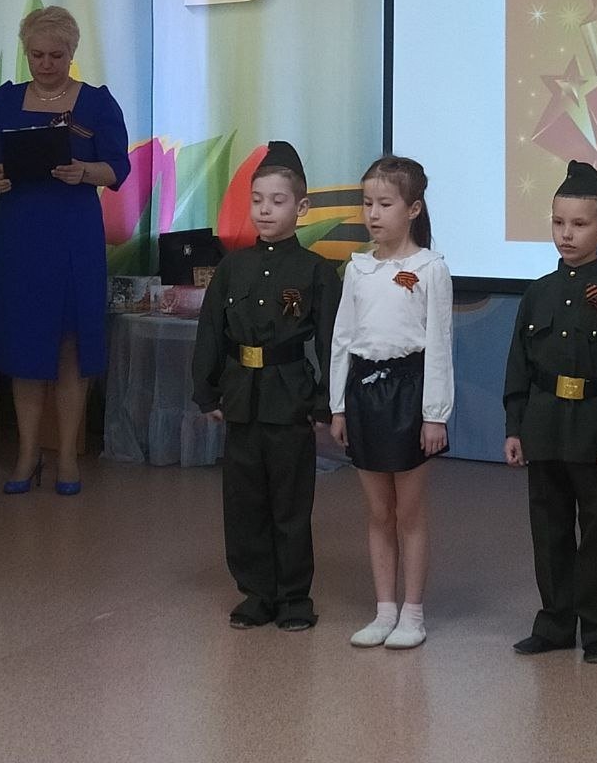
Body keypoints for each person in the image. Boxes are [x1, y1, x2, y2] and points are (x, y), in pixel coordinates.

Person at [0, 6, 130, 496]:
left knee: (69, 343)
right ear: (26, 52)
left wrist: (85, 172)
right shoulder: (4, 100)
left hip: (73, 235)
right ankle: (26, 454)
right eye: (36, 55)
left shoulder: (97, 104)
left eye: (55, 56)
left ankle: (65, 457)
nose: (45, 64)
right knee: (25, 342)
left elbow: (117, 168)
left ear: (72, 52)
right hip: (22, 235)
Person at [192, 141, 342, 630]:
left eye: (277, 201)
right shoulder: (231, 267)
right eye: (257, 200)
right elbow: (211, 332)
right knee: (244, 502)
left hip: (289, 397)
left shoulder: (316, 271)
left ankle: (294, 596)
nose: (264, 210)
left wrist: (326, 403)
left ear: (300, 208)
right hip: (241, 398)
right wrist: (207, 391)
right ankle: (256, 592)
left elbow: (330, 342)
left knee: (291, 503)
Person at [503, 159, 597, 665]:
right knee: (549, 530)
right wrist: (515, 426)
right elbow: (518, 364)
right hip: (543, 425)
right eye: (559, 222)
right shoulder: (538, 293)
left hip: (590, 428)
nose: (567, 234)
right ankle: (555, 623)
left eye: (580, 224)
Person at [329, 156, 453, 650]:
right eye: (367, 204)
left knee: (409, 513)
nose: (373, 214)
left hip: (409, 393)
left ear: (413, 209)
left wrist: (434, 415)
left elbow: (439, 344)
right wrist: (339, 405)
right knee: (378, 511)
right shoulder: (357, 269)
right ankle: (384, 610)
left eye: (385, 204)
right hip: (365, 392)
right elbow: (343, 338)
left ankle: (413, 613)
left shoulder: (430, 269)